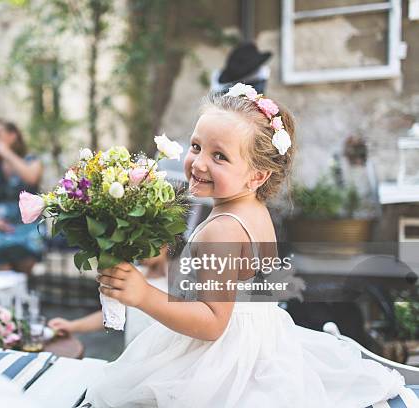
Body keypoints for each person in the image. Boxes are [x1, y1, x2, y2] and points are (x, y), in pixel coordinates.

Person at [82, 85, 405, 407]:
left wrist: (144, 295)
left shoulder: (221, 230)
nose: (199, 163)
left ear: (257, 176)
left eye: (219, 156)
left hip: (224, 360)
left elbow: (211, 323)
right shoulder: (252, 211)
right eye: (196, 146)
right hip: (263, 344)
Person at [48, 246, 170, 347]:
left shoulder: (176, 283)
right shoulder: (137, 274)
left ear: (166, 244)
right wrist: (72, 326)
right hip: (133, 352)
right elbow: (112, 313)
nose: (140, 249)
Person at [0, 119, 44, 272]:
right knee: (1, 268)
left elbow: (31, 178)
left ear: (13, 136)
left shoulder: (32, 161)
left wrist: (7, 154)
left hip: (28, 225)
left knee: (26, 264)